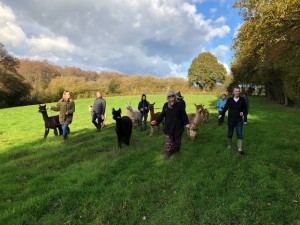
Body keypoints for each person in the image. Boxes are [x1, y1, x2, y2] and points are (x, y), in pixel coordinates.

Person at [151, 90, 190, 160]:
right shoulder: (166, 105)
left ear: (175, 96)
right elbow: (162, 115)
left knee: (177, 140)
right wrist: (156, 121)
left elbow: (183, 115)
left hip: (178, 126)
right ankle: (167, 153)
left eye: (172, 95)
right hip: (169, 126)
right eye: (169, 96)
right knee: (168, 140)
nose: (171, 97)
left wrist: (186, 123)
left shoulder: (180, 104)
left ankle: (176, 149)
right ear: (168, 97)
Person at [219, 86, 247, 154]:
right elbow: (225, 108)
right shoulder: (229, 100)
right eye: (236, 91)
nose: (237, 92)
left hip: (239, 120)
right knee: (230, 133)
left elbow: (245, 109)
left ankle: (239, 148)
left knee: (239, 133)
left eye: (238, 91)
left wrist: (243, 112)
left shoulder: (242, 100)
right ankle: (229, 144)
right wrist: (221, 114)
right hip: (231, 120)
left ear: (239, 92)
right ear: (233, 92)